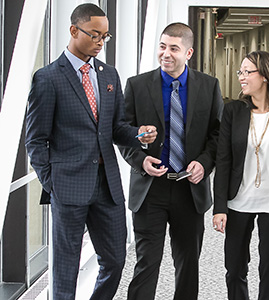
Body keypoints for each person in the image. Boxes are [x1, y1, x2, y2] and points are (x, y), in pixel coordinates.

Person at [25, 4, 157, 300]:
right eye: (95, 35)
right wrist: (52, 182)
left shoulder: (108, 75)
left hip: (107, 184)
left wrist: (138, 134)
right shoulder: (48, 78)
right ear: (74, 30)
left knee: (115, 259)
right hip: (67, 185)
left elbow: (116, 128)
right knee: (66, 268)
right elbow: (35, 139)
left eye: (105, 37)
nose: (100, 42)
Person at [120, 22, 223, 300]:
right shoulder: (137, 85)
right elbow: (123, 134)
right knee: (146, 264)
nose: (166, 54)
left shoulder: (209, 86)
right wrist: (140, 161)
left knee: (188, 264)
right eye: (162, 46)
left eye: (174, 48)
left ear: (188, 53)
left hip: (189, 188)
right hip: (150, 188)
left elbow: (217, 135)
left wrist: (204, 162)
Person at [212, 50, 269, 300]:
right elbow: (223, 161)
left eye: (247, 72)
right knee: (235, 268)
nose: (241, 77)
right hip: (239, 201)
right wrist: (219, 207)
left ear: (266, 76)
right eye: (241, 71)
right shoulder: (233, 111)